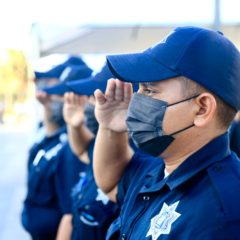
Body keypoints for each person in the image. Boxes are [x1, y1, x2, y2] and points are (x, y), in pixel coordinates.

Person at [93, 26, 240, 239]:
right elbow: (110, 183)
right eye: (139, 89)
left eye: (150, 91)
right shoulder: (160, 169)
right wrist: (110, 129)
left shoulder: (225, 214)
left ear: (202, 109)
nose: (136, 100)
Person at [21, 63, 92, 240]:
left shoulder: (75, 146)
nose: (55, 99)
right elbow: (52, 127)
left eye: (62, 95)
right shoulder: (58, 136)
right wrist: (47, 106)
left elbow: (69, 213)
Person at [61, 64, 120, 240]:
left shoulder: (137, 158)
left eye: (94, 96)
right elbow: (82, 151)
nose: (89, 103)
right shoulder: (102, 145)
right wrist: (75, 125)